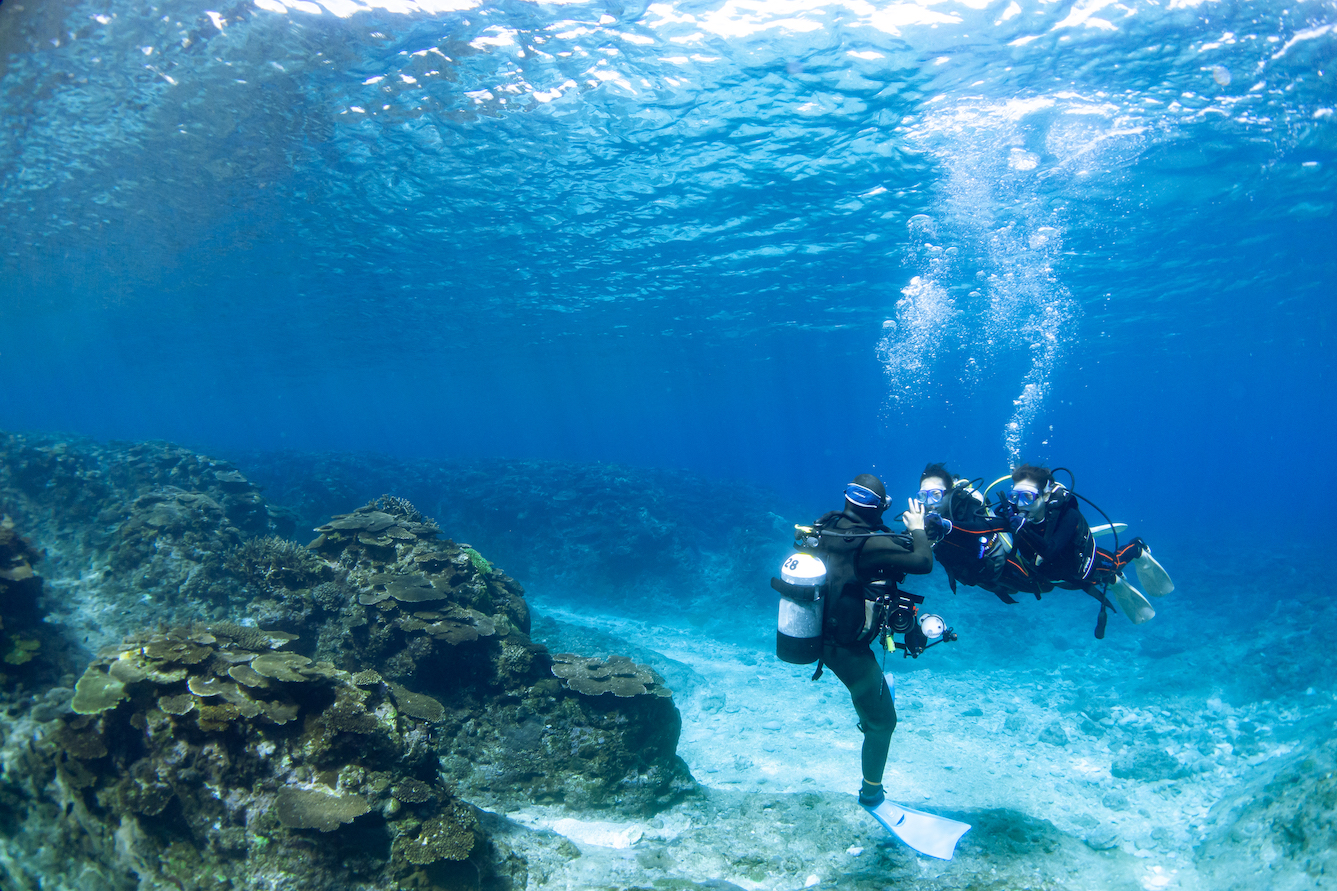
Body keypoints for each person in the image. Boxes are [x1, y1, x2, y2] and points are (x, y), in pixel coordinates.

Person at [806, 473, 933, 809]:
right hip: (845, 649)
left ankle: (868, 704)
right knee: (883, 723)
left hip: (822, 634)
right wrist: (918, 528)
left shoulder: (828, 527)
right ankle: (871, 794)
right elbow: (923, 562)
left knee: (872, 703)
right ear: (881, 507)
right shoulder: (870, 543)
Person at [996, 464, 1173, 631]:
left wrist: (1022, 529)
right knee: (1090, 580)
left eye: (1027, 497)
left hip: (1083, 564)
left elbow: (1050, 551)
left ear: (1045, 495)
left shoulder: (1068, 515)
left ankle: (1136, 549)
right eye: (1014, 497)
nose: (1020, 505)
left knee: (1115, 564)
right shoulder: (1015, 515)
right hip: (1057, 575)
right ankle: (1112, 580)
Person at [916, 462, 1051, 604]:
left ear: (949, 493)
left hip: (1001, 567)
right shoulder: (923, 517)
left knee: (1043, 586)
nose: (929, 502)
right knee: (1007, 589)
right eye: (923, 496)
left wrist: (946, 526)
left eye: (936, 494)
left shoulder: (968, 506)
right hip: (976, 576)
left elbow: (978, 528)